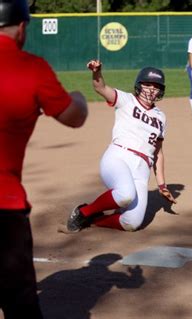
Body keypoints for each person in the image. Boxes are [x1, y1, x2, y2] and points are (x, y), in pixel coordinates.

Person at [0, 0, 88, 317]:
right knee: (20, 306)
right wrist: (78, 97)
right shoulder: (32, 68)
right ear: (22, 27)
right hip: (4, 208)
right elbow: (74, 116)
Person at [62, 60, 176, 233]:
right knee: (125, 194)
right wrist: (97, 72)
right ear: (139, 85)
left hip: (142, 170)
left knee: (133, 222)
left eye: (156, 86)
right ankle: (84, 212)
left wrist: (162, 186)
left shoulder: (161, 117)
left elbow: (158, 152)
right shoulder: (126, 100)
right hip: (119, 157)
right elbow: (101, 88)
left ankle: (93, 221)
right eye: (148, 85)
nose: (152, 89)